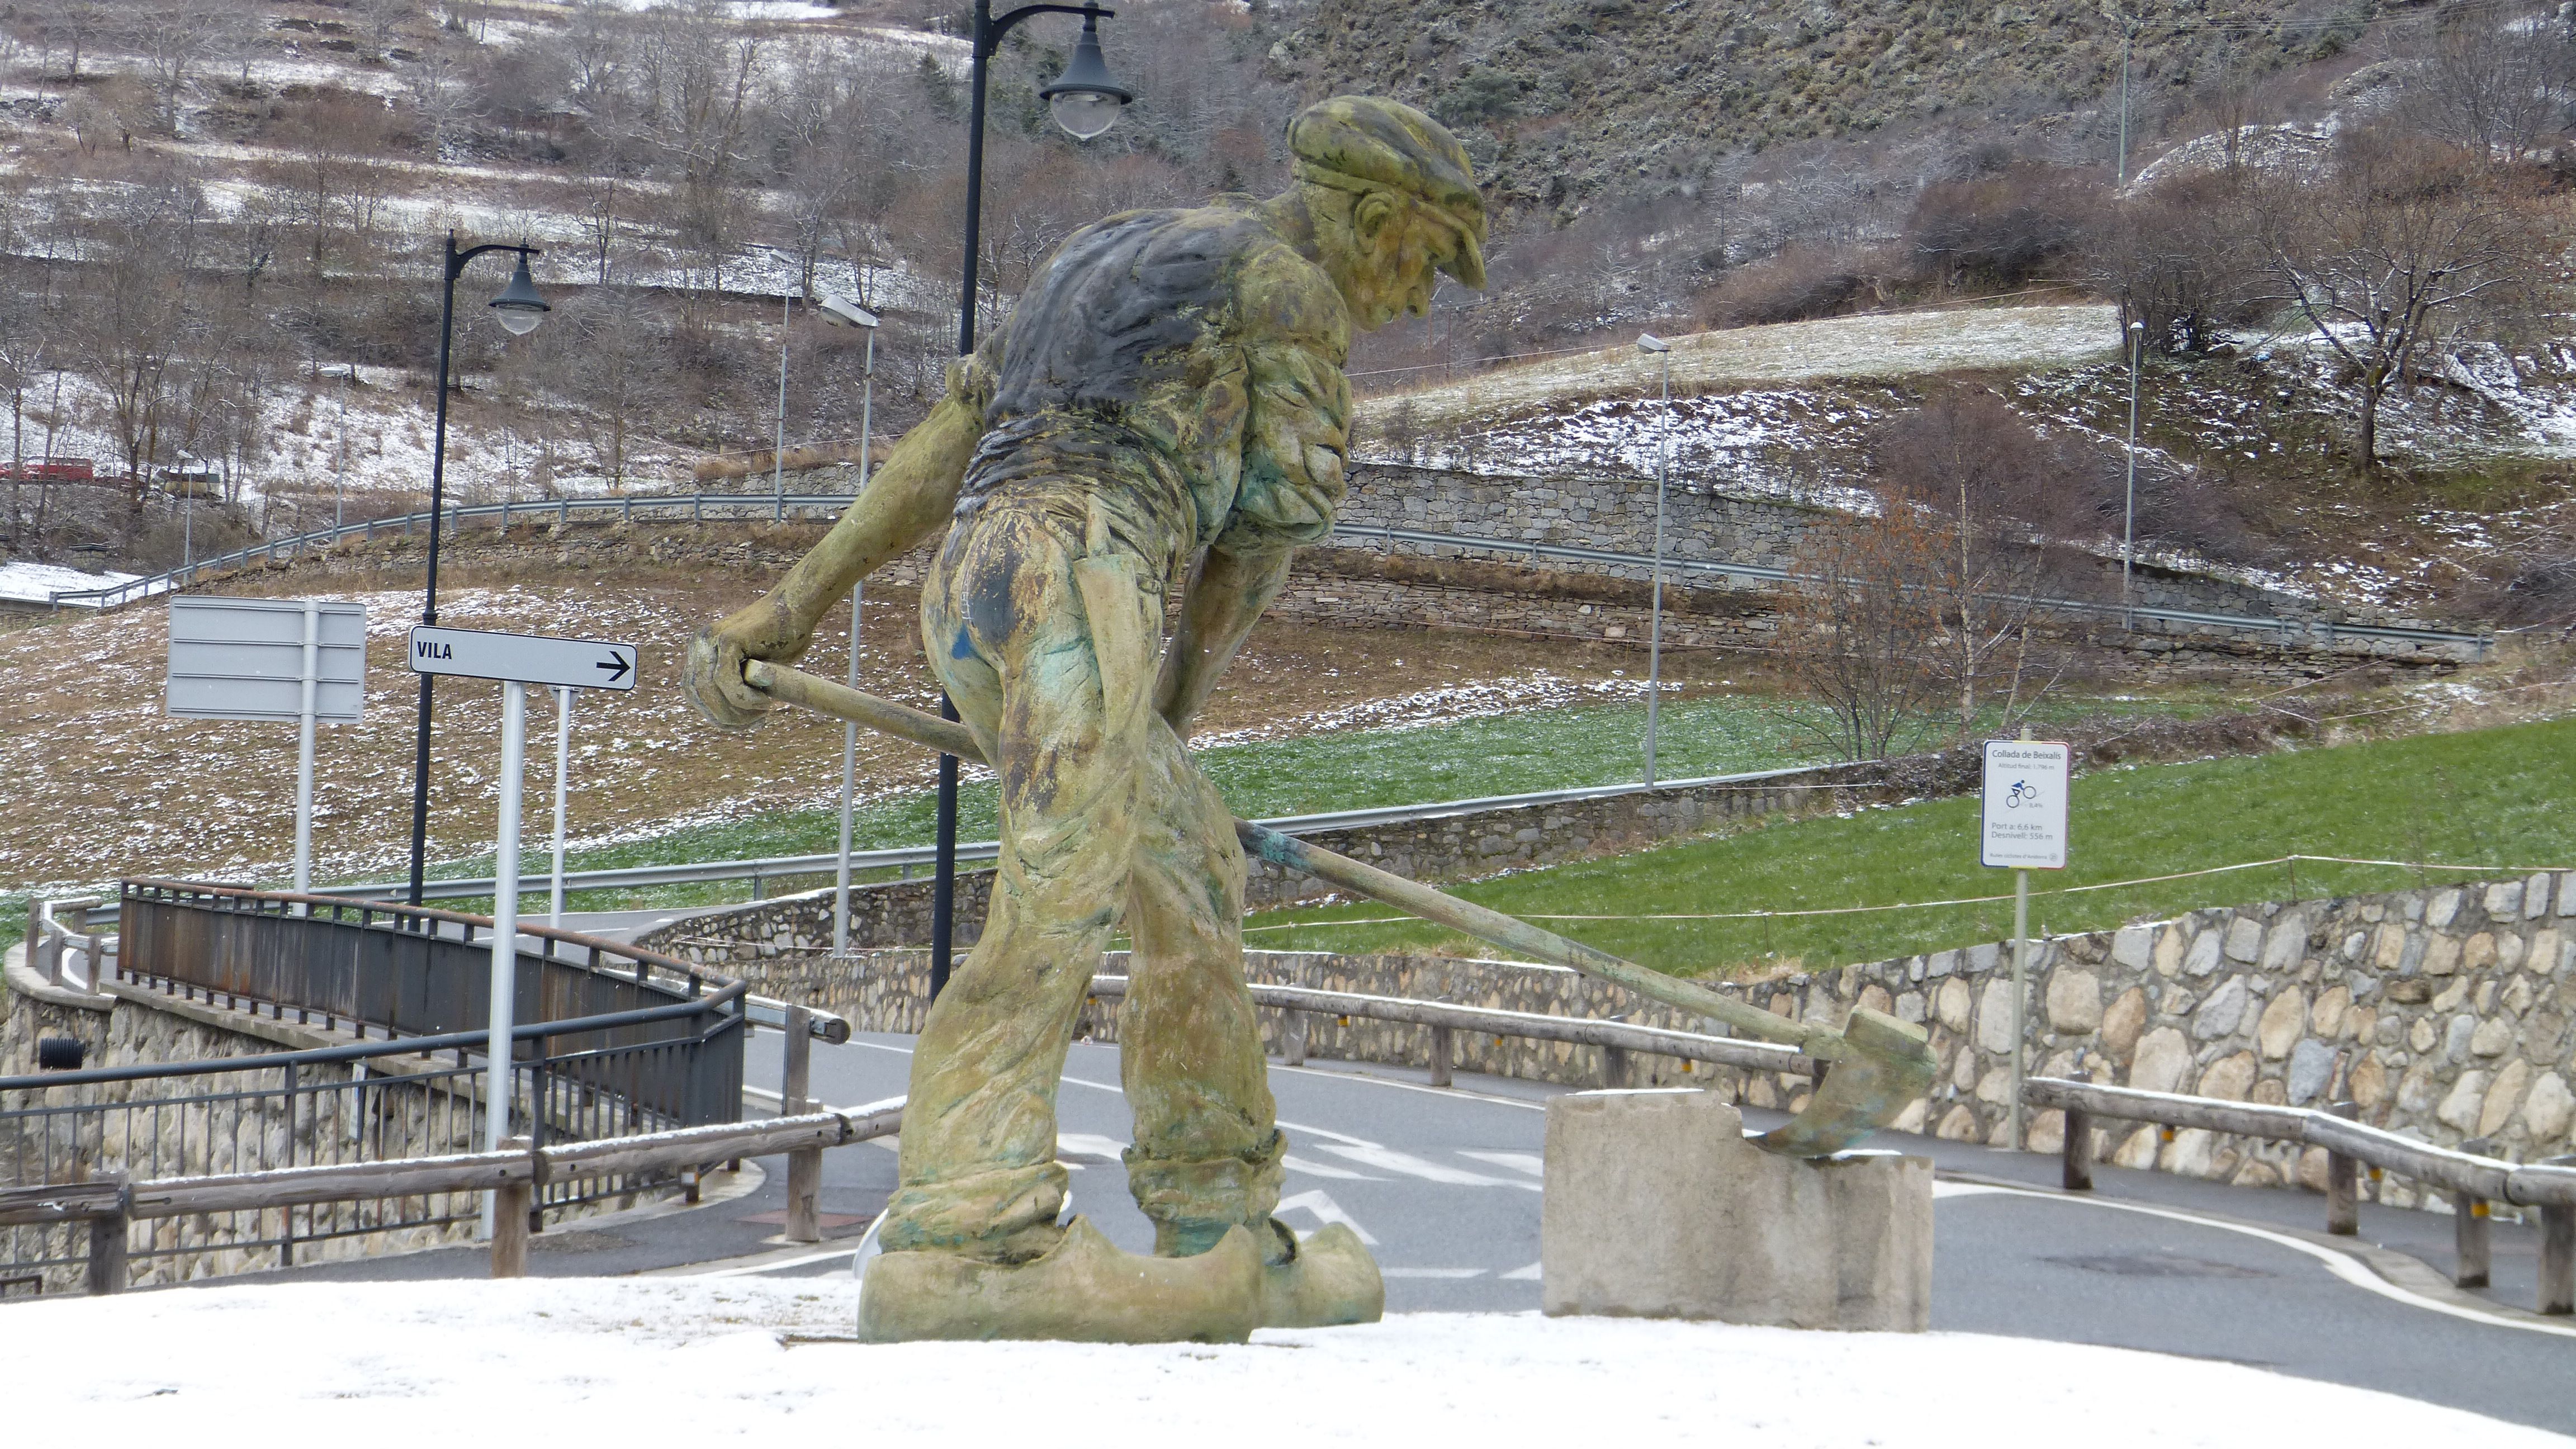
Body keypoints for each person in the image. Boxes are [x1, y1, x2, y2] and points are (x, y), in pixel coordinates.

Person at [684, 96, 1484, 1341]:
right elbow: (1256, 544)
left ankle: (1219, 1226)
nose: (1423, 298)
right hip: (1082, 573)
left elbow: (952, 437)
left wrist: (795, 605)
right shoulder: (1291, 296)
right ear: (1376, 217)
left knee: (1192, 877)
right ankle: (972, 1233)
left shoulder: (1104, 246)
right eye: (1428, 259)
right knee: (1058, 908)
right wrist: (1171, 710)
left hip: (974, 575)